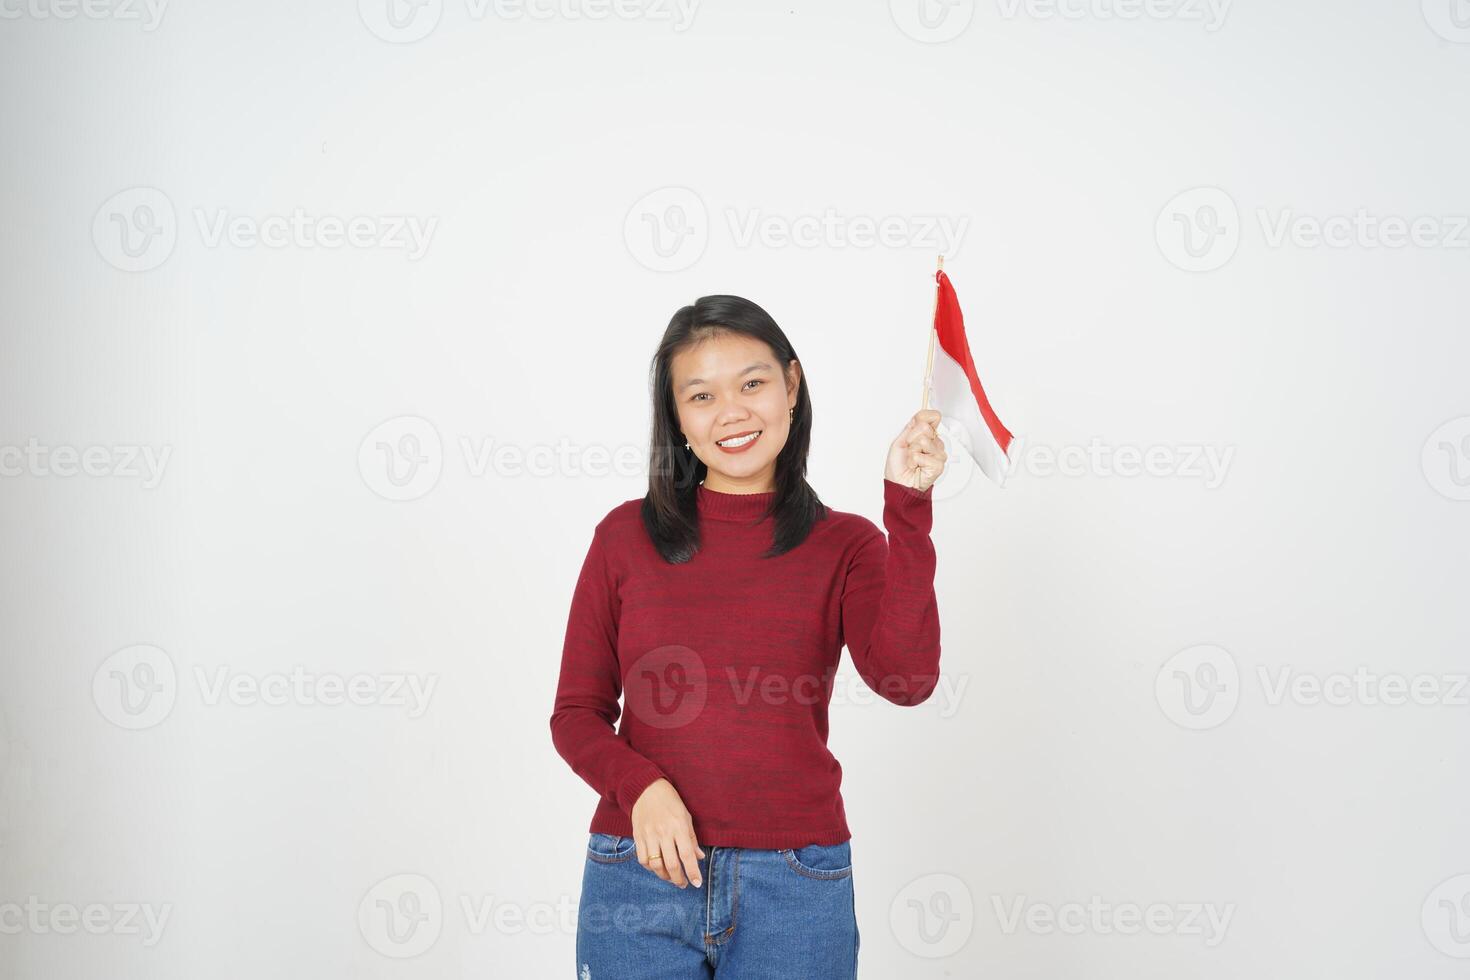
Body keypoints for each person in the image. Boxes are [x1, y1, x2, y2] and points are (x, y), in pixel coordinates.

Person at [550, 294, 947, 979]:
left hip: (796, 884)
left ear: (792, 386)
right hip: (640, 874)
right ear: (677, 418)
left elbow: (906, 681)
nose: (731, 412)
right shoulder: (624, 537)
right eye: (701, 395)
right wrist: (642, 787)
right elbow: (575, 715)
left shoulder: (845, 544)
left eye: (753, 384)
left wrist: (906, 511)